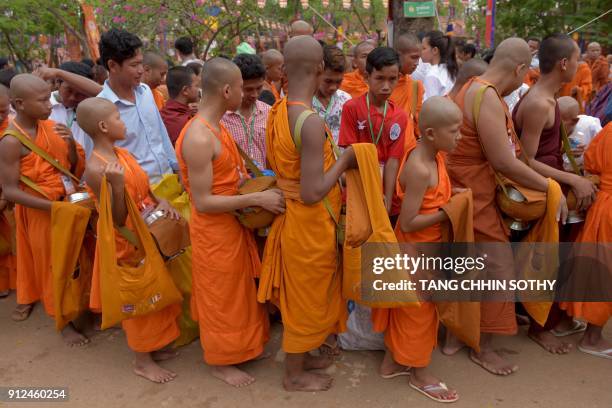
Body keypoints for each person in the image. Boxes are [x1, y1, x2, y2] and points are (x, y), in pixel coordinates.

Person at [446, 38, 564, 375]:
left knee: (467, 262)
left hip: (462, 187)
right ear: (519, 68)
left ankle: (457, 336)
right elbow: (504, 160)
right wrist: (549, 186)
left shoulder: (471, 87)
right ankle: (483, 348)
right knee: (497, 267)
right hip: (475, 191)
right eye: (525, 76)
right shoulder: (486, 96)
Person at [257, 35, 357, 392]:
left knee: (307, 292)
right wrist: (346, 159)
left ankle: (305, 355)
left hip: (292, 217)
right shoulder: (310, 122)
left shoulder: (277, 111)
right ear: (319, 69)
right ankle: (294, 375)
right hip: (308, 220)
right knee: (305, 297)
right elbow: (313, 191)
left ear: (284, 69)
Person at [176, 58, 282, 387]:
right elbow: (204, 201)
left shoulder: (216, 127)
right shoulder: (198, 137)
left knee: (240, 293)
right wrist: (255, 199)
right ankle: (222, 361)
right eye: (240, 88)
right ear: (226, 90)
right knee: (220, 296)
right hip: (213, 229)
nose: (246, 93)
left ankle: (244, 347)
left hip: (232, 224)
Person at [79, 97, 182, 383]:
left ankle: (156, 346)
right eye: (118, 118)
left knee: (156, 286)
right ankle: (142, 360)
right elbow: (116, 216)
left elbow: (148, 189)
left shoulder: (123, 154)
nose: (123, 123)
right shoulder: (96, 169)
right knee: (137, 297)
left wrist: (165, 203)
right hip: (125, 241)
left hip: (147, 233)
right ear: (103, 126)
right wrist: (116, 185)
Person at [375, 96, 462, 403]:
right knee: (420, 312)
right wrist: (449, 211)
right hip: (416, 249)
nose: (459, 136)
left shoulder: (434, 156)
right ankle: (420, 372)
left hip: (428, 247)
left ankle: (391, 364)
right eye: (454, 131)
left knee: (408, 309)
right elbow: (410, 222)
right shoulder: (420, 167)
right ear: (430, 133)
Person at [0, 74, 87, 343]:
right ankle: (63, 322)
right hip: (41, 212)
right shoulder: (11, 141)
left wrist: (71, 144)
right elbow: (11, 191)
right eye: (41, 101)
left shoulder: (52, 126)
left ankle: (79, 307)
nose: (49, 104)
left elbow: (71, 168)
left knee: (76, 259)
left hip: (67, 203)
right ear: (19, 104)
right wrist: (53, 208)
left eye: (49, 97)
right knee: (53, 267)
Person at [339, 47, 411, 220]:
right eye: (379, 78)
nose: (386, 86)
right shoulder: (352, 108)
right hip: (358, 187)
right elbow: (350, 153)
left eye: (392, 79)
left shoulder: (399, 116)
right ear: (367, 77)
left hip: (385, 189)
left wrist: (386, 198)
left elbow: (393, 160)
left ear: (399, 78)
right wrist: (371, 192)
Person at [98, 29, 178, 184]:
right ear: (113, 66)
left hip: (169, 181)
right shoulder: (100, 109)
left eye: (141, 63)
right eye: (134, 65)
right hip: (139, 194)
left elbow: (160, 133)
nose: (141, 70)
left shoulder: (146, 91)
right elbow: (99, 160)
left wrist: (177, 168)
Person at [560, 123, 612, 360]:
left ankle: (564, 321)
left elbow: (591, 160)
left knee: (589, 263)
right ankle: (592, 337)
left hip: (601, 202)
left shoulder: (610, 128)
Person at [35, 62, 103, 158]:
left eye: (80, 93)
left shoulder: (94, 108)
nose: (73, 97)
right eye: (69, 90)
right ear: (58, 83)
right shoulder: (41, 106)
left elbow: (102, 92)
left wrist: (58, 73)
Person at [222, 53, 271, 170]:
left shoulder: (269, 113)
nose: (255, 94)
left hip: (266, 184)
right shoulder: (220, 117)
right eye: (248, 89)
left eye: (259, 88)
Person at [312, 45, 351, 144]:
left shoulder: (346, 100)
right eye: (328, 81)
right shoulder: (305, 102)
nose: (333, 87)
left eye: (338, 81)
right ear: (317, 72)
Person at [391, 34, 425, 143]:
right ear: (398, 55)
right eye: (413, 57)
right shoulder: (383, 85)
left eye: (418, 58)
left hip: (408, 147)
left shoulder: (415, 86)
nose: (417, 63)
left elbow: (416, 121)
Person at [558, 96, 602, 171]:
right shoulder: (547, 128)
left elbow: (604, 153)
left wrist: (586, 154)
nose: (553, 124)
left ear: (574, 121)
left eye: (558, 122)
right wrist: (561, 151)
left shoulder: (590, 126)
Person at [160, 66, 199, 146]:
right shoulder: (180, 123)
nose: (199, 90)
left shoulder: (165, 112)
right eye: (196, 86)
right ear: (185, 90)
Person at [0, 84, 15, 299]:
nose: (1, 115)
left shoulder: (12, 130)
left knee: (8, 243)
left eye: (4, 110)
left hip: (7, 195)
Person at [420, 31, 458, 100]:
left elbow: (430, 106)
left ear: (435, 50)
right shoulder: (450, 69)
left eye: (424, 48)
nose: (420, 51)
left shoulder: (432, 75)